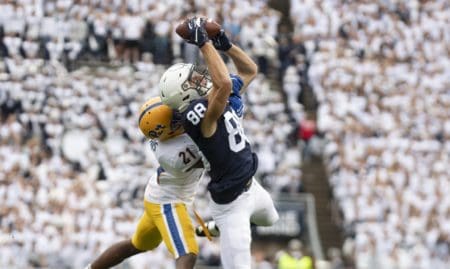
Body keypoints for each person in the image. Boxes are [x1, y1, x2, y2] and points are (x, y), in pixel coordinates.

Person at [159, 17, 279, 269]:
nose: (199, 78)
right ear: (185, 96)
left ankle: (214, 227)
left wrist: (226, 44)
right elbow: (223, 83)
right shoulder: (198, 115)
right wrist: (203, 43)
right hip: (231, 203)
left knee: (271, 218)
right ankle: (220, 224)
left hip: (252, 186)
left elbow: (249, 71)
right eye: (191, 81)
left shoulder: (215, 96)